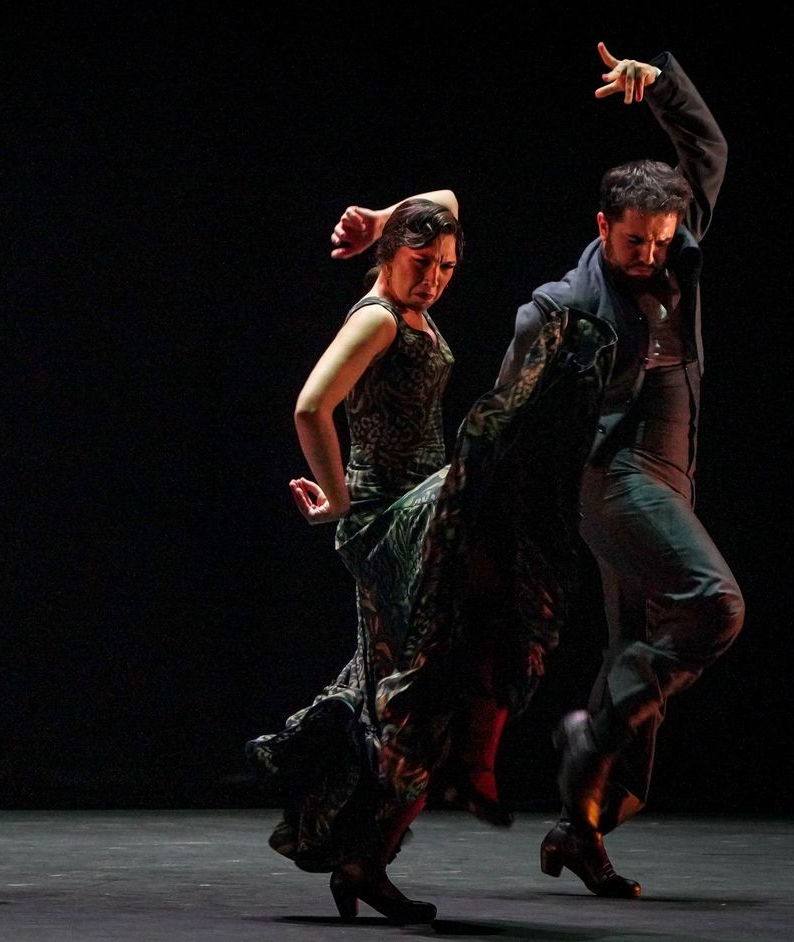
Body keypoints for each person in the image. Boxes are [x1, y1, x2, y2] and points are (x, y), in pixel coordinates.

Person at [246, 192, 615, 923]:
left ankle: (365, 857)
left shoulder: (409, 305)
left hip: (428, 513)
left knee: (422, 686)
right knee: (494, 470)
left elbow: (447, 198)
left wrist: (379, 218)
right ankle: (420, 803)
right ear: (391, 258)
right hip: (392, 515)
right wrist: (338, 498)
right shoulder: (379, 319)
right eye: (423, 262)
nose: (436, 278)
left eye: (448, 266)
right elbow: (310, 406)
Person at [497, 44, 740, 899]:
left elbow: (707, 149)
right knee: (715, 606)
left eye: (661, 241)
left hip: (671, 477)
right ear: (603, 227)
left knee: (636, 658)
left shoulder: (680, 247)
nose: (650, 254)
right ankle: (590, 737)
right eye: (634, 240)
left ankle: (582, 825)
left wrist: (662, 85)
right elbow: (503, 412)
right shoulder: (564, 306)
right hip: (615, 477)